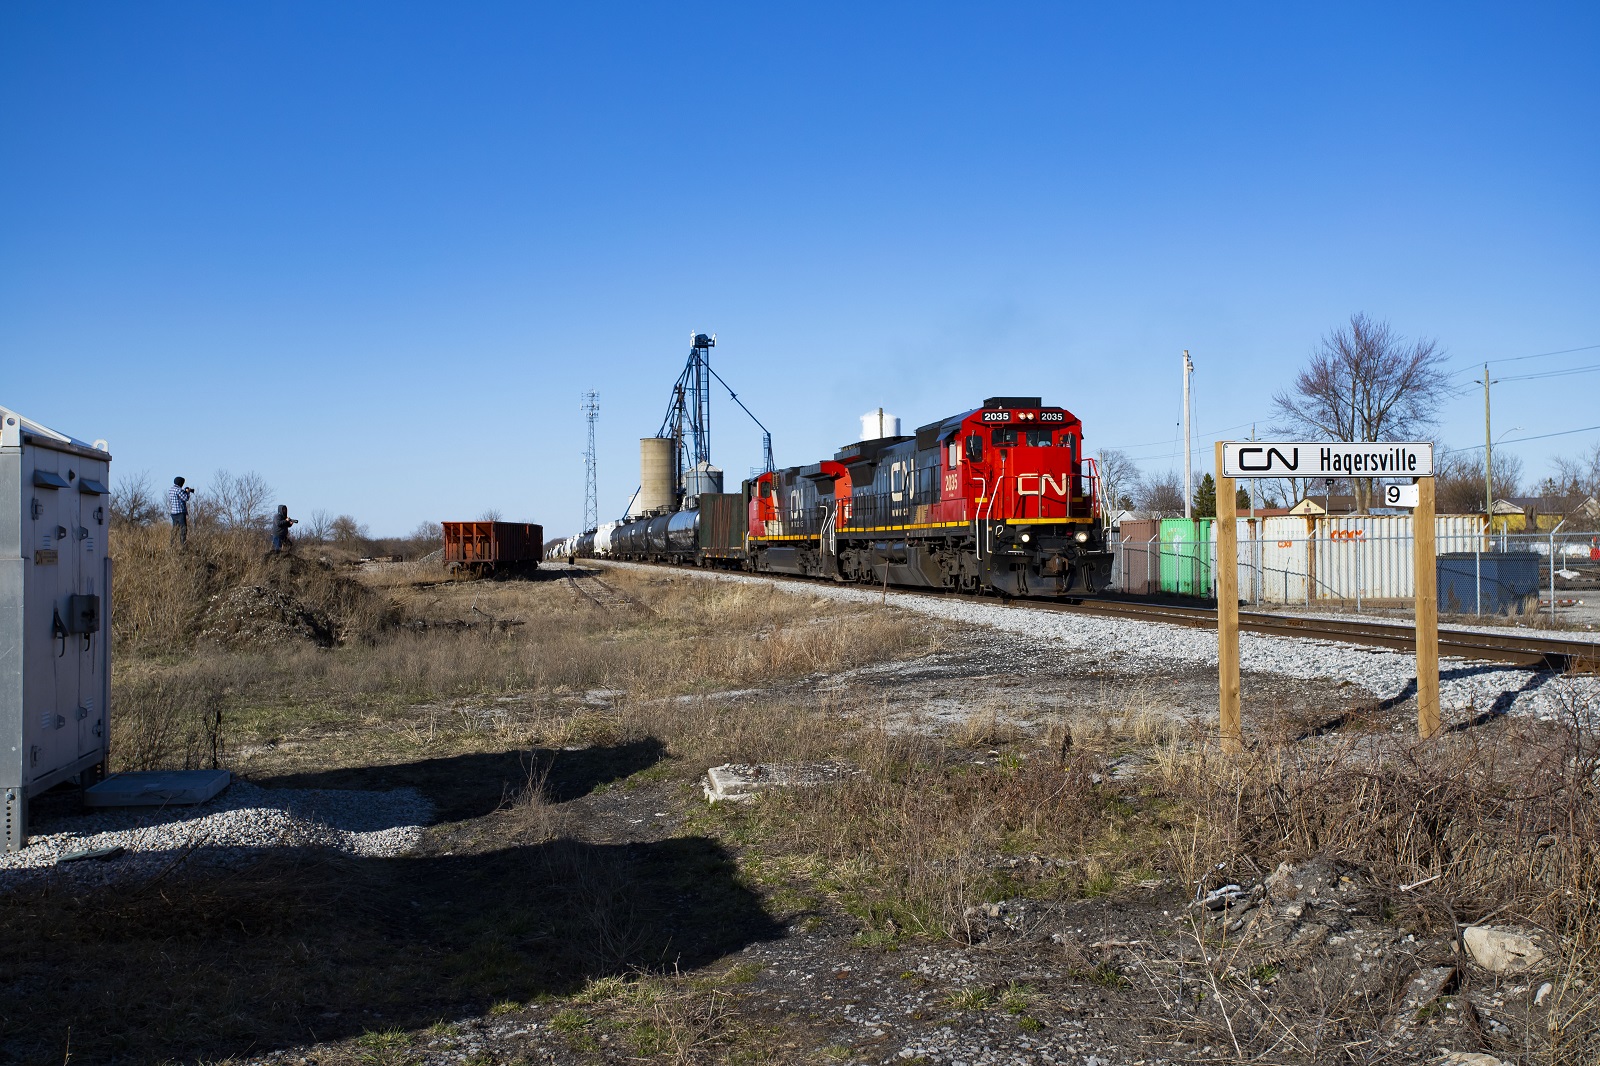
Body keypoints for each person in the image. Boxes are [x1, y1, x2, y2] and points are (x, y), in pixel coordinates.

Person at [167, 476, 194, 546]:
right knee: (183, 529)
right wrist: (188, 492)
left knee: (175, 529)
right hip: (180, 513)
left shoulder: (171, 489)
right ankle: (183, 544)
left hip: (173, 513)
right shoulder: (179, 490)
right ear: (181, 483)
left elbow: (178, 497)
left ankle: (172, 543)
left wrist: (184, 491)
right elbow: (185, 498)